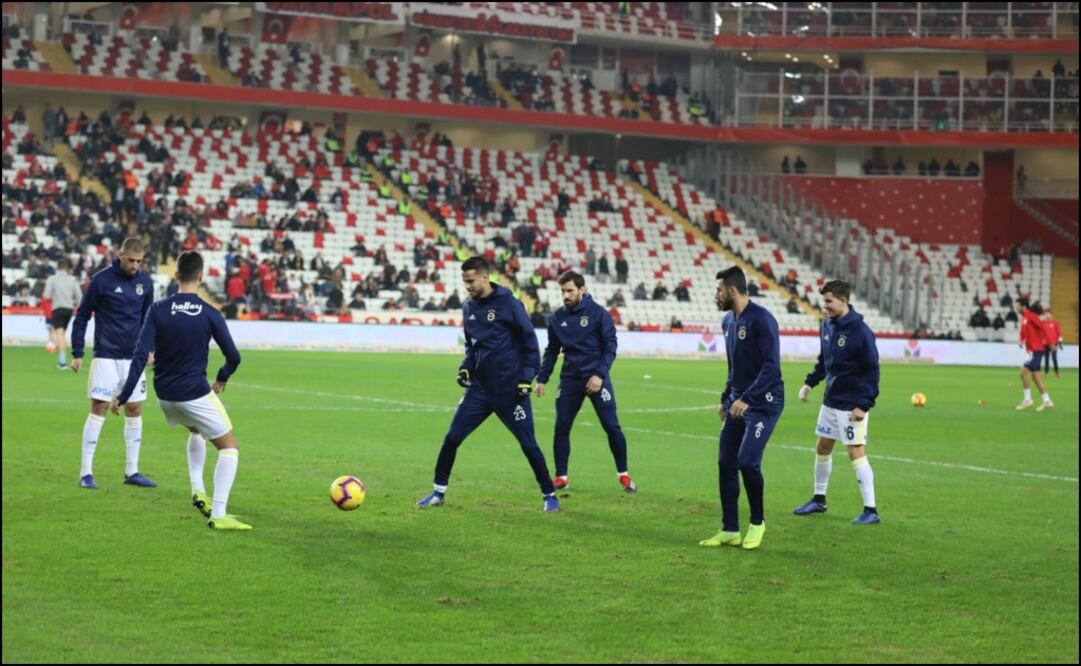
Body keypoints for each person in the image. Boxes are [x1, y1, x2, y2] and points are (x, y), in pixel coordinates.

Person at [110, 251, 248, 530]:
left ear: (176, 276)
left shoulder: (158, 309)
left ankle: (198, 488)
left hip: (165, 395)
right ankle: (219, 514)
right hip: (193, 391)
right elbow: (233, 356)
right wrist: (222, 377)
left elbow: (140, 355)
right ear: (201, 276)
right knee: (230, 447)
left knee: (196, 430)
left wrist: (124, 395)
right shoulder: (210, 314)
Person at [416, 257, 559, 512]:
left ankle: (549, 494)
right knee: (451, 439)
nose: (467, 286)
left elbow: (529, 343)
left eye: (470, 281)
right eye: (464, 282)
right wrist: (465, 368)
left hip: (511, 391)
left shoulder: (509, 304)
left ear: (484, 277)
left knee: (528, 445)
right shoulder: (468, 308)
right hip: (479, 391)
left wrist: (527, 377)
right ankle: (438, 491)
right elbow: (473, 347)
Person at [700, 266, 784, 551]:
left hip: (764, 403)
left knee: (748, 462)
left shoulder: (762, 320)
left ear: (732, 290)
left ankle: (758, 522)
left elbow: (772, 367)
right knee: (726, 462)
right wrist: (727, 399)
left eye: (719, 290)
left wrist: (746, 398)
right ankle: (730, 529)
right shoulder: (728, 321)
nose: (716, 295)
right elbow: (734, 366)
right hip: (737, 402)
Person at [536, 272, 634, 493]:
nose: (566, 295)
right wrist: (542, 378)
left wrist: (599, 375)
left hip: (596, 379)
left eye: (570, 290)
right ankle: (561, 477)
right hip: (570, 380)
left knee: (611, 426)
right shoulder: (557, 318)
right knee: (561, 427)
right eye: (563, 291)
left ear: (582, 289)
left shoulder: (599, 314)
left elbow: (610, 346)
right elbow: (552, 350)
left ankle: (624, 474)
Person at [71, 238, 156, 490]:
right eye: (131, 260)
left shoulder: (145, 283)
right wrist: (78, 352)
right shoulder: (101, 280)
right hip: (106, 354)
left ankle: (132, 471)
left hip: (133, 357)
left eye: (139, 261)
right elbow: (82, 315)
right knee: (99, 408)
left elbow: (148, 319)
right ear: (120, 255)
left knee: (135, 409)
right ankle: (86, 473)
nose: (135, 265)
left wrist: (150, 349)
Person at [794, 280, 881, 525]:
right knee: (822, 447)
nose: (825, 306)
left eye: (829, 301)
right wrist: (809, 383)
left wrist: (863, 404)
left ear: (843, 300)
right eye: (824, 301)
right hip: (830, 402)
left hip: (851, 405)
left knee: (855, 452)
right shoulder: (827, 326)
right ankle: (819, 500)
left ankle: (871, 510)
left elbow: (872, 371)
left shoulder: (861, 331)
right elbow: (824, 361)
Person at [43, 258, 82, 370]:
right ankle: (63, 358)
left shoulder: (52, 279)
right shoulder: (73, 279)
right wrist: (74, 304)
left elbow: (46, 295)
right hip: (69, 309)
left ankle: (62, 362)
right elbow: (79, 297)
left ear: (57, 267)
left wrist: (54, 297)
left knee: (59, 333)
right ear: (67, 268)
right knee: (62, 333)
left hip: (58, 308)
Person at [1015, 299, 1053, 411]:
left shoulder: (1031, 316)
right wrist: (1021, 340)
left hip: (1036, 350)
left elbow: (1043, 327)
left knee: (1022, 373)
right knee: (1036, 377)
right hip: (1031, 351)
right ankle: (1047, 401)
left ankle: (1027, 400)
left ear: (1023, 306)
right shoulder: (1024, 318)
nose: (1016, 308)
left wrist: (1050, 343)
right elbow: (1022, 332)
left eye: (1018, 306)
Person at [1041, 309, 1062, 378]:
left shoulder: (1055, 323)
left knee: (1054, 358)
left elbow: (1059, 333)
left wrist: (1060, 342)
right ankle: (1046, 373)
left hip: (1054, 344)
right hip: (1045, 344)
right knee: (1046, 358)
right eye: (1045, 314)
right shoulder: (1043, 323)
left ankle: (1057, 372)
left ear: (1051, 314)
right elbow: (1041, 334)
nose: (1047, 315)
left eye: (1048, 313)